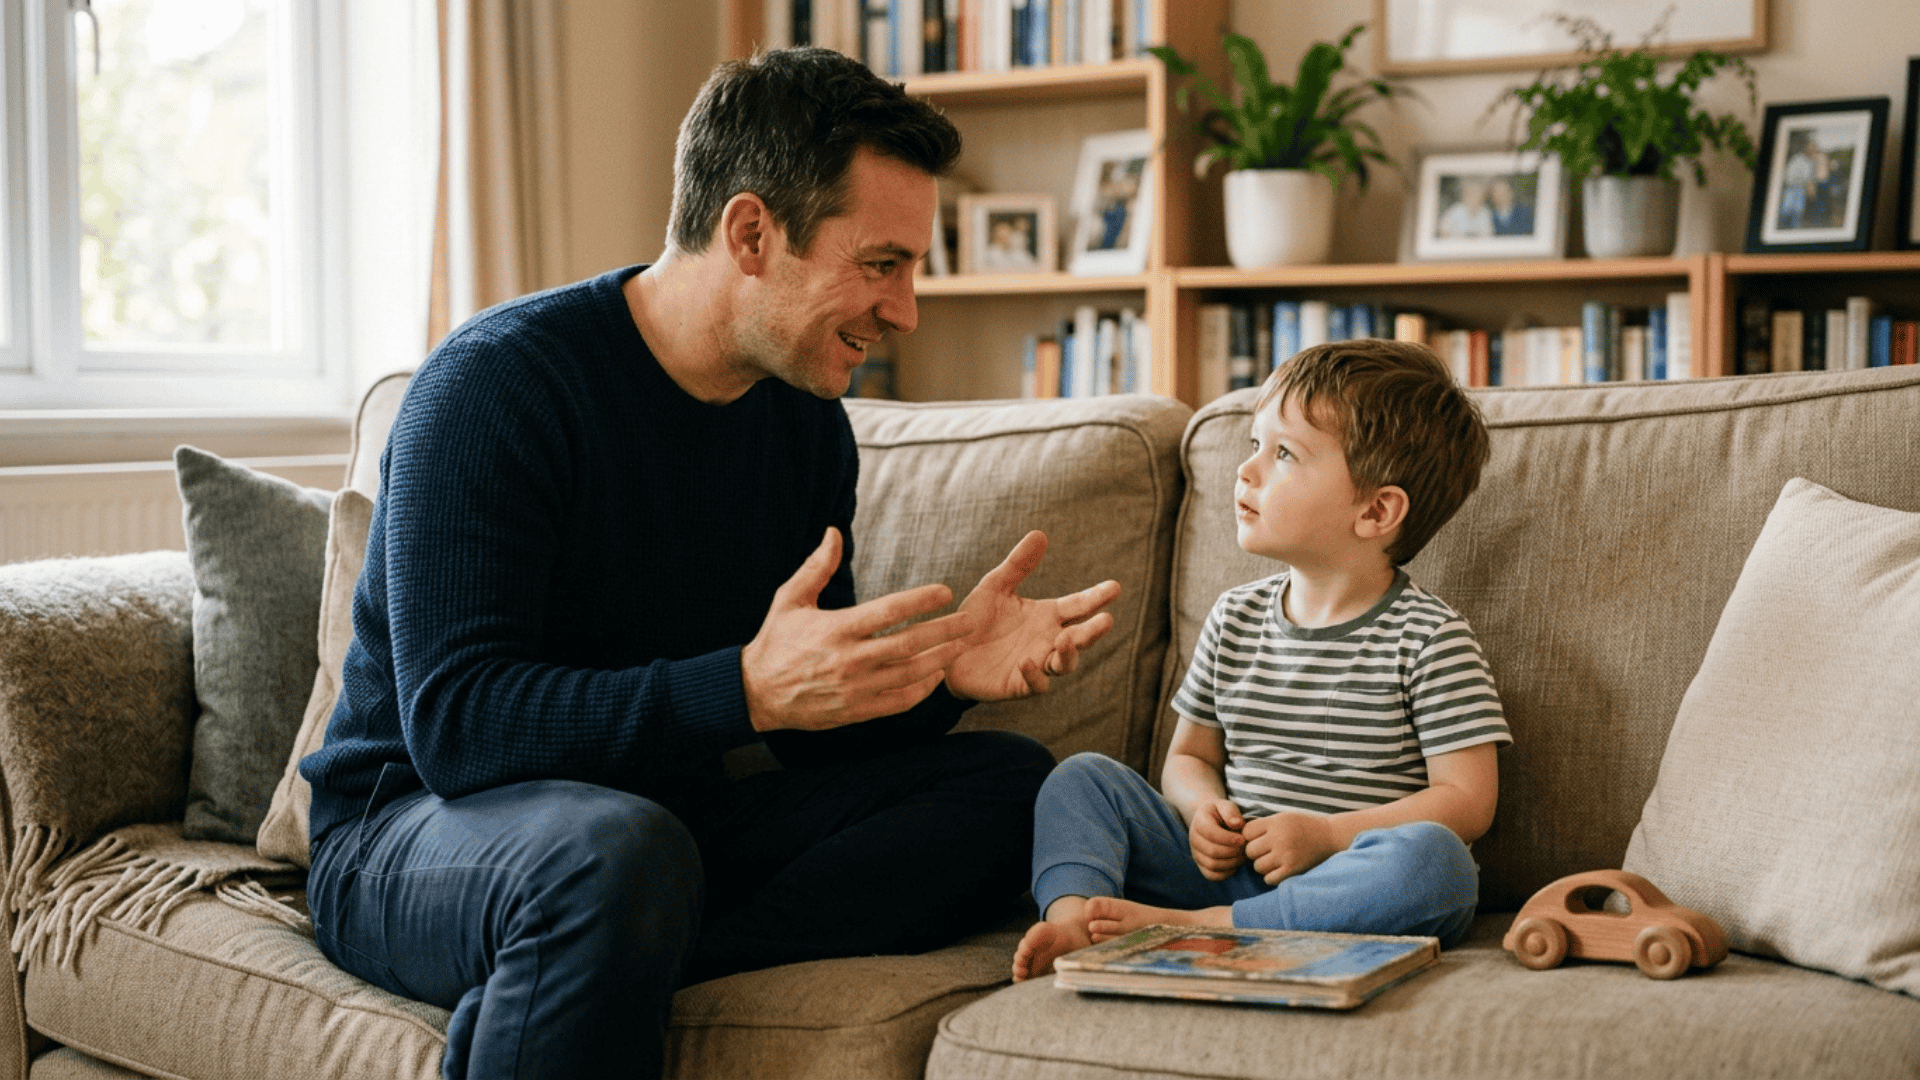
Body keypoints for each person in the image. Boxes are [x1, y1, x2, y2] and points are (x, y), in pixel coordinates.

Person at [301, 47, 1122, 1079]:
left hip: (654, 830)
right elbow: (460, 729)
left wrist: (933, 675)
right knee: (616, 856)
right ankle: (600, 932)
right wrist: (739, 690)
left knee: (1006, 788)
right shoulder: (496, 389)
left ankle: (607, 952)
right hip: (412, 830)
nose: (906, 308)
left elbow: (810, 731)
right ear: (750, 232)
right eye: (881, 263)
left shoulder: (804, 427)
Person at [1012, 339, 1510, 982]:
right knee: (1083, 778)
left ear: (1377, 510)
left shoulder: (1430, 638)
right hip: (1216, 868)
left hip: (1336, 883)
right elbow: (1188, 758)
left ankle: (1200, 931)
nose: (1246, 472)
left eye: (1284, 455)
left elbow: (1469, 802)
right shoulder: (1235, 617)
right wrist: (1201, 810)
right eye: (1254, 445)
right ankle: (1078, 918)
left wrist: (1330, 837)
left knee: (1437, 862)